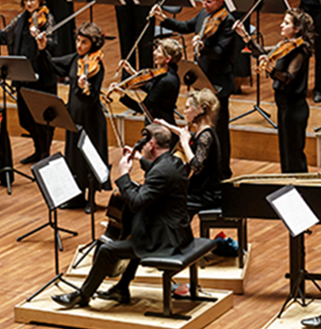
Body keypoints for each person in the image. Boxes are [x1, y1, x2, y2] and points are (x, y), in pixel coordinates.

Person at [52, 124, 192, 308]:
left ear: (152, 144)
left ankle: (83, 296)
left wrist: (124, 174)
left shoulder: (161, 171)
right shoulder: (174, 162)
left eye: (144, 145)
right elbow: (157, 170)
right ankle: (122, 288)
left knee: (107, 250)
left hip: (164, 240)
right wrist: (139, 158)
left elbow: (136, 202)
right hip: (179, 232)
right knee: (134, 231)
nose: (141, 147)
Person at [152, 0, 235, 179]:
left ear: (220, 1)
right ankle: (204, 166)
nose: (204, 4)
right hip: (201, 80)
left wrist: (203, 46)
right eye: (202, 0)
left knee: (220, 129)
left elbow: (221, 53)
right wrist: (163, 19)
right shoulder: (204, 15)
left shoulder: (228, 21)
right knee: (202, 126)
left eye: (209, 1)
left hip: (218, 83)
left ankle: (223, 171)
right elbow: (185, 26)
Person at [36, 22, 107, 212]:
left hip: (91, 119)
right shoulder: (75, 59)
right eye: (78, 40)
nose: (79, 45)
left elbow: (92, 99)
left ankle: (91, 198)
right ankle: (77, 196)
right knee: (73, 156)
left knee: (89, 158)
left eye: (84, 42)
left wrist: (87, 87)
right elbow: (51, 66)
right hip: (74, 117)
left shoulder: (97, 67)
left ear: (93, 44)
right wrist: (43, 50)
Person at [236, 9, 314, 173]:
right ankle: (288, 186)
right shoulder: (284, 45)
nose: (281, 25)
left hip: (294, 108)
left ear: (297, 29)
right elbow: (261, 51)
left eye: (286, 23)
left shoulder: (300, 50)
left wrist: (270, 70)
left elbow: (288, 77)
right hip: (284, 106)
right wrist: (245, 35)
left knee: (294, 154)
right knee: (286, 152)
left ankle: (301, 189)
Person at [0, 0, 57, 164]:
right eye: (26, 0)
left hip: (41, 75)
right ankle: (38, 149)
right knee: (26, 118)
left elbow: (53, 43)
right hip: (23, 75)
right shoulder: (20, 19)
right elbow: (4, 36)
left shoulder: (47, 19)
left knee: (42, 118)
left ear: (40, 0)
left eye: (32, 0)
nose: (29, 4)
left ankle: (44, 152)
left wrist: (42, 40)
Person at [157, 88, 222, 216]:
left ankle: (178, 234)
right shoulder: (201, 132)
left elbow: (196, 166)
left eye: (187, 108)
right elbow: (186, 134)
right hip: (199, 191)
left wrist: (185, 143)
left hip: (207, 194)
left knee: (170, 204)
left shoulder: (206, 136)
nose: (184, 111)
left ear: (200, 109)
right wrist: (165, 125)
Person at [110, 38, 182, 126]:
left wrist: (123, 95)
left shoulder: (166, 80)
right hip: (157, 122)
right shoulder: (168, 74)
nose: (154, 53)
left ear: (167, 59)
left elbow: (143, 108)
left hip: (160, 127)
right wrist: (133, 73)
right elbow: (153, 89)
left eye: (158, 51)